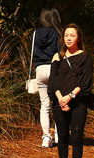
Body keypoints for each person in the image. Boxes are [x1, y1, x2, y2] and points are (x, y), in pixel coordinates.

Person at [48, 23, 93, 158]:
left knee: (76, 135)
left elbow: (85, 82)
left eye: (72, 35)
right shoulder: (57, 57)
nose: (68, 38)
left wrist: (70, 97)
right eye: (66, 35)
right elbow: (53, 82)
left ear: (78, 38)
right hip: (59, 101)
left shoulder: (85, 57)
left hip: (78, 102)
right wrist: (60, 98)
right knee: (62, 135)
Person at [33, 8, 61, 148]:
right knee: (57, 102)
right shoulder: (57, 33)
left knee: (45, 105)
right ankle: (57, 135)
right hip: (53, 68)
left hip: (40, 69)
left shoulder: (35, 33)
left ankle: (46, 138)